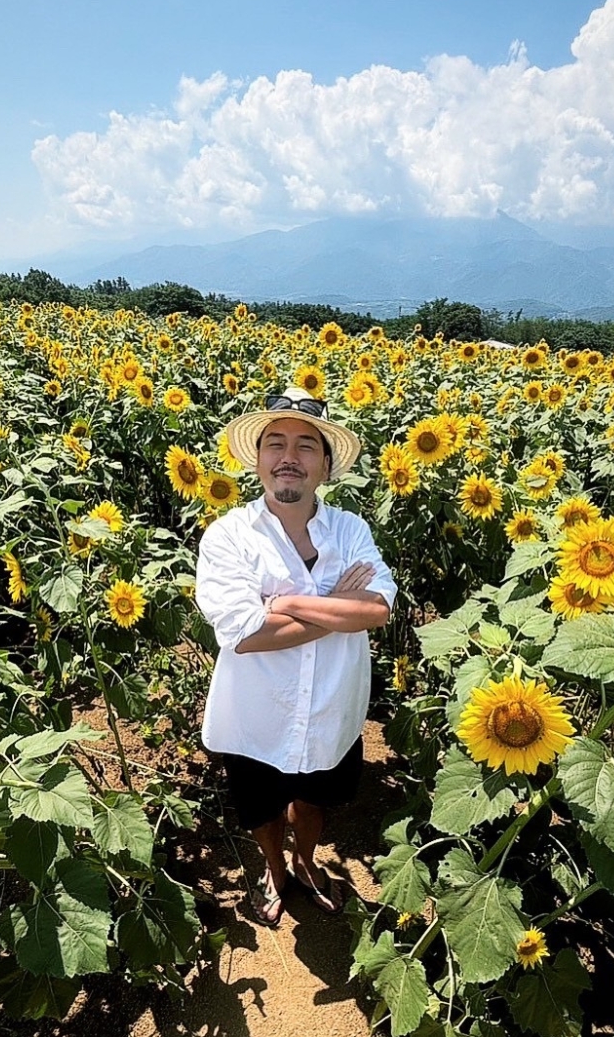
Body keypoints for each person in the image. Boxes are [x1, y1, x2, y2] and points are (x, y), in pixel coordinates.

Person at [195, 388, 397, 927]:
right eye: (276, 443)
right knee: (261, 811)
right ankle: (274, 868)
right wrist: (337, 606)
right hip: (255, 717)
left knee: (311, 804)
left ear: (325, 466)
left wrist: (282, 605)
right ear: (257, 460)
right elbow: (243, 634)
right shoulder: (228, 536)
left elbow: (377, 608)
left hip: (331, 712)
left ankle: (305, 861)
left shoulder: (351, 530)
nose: (290, 457)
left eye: (306, 446)